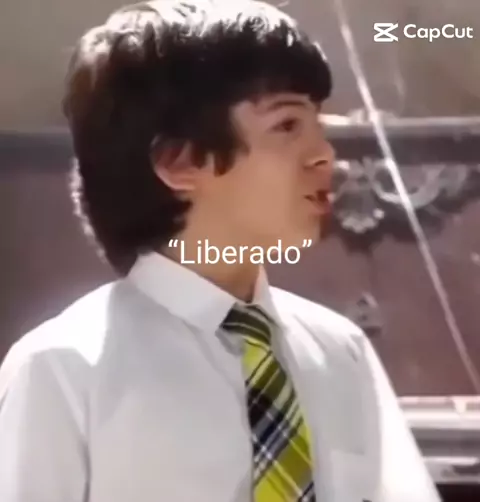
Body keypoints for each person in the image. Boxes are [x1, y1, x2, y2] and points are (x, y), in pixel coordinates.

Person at [0, 1, 441, 501]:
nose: (326, 155)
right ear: (180, 161)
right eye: (287, 126)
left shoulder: (341, 352)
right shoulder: (64, 369)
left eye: (319, 122)